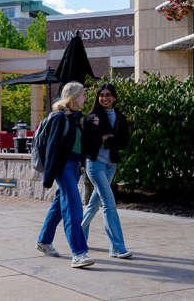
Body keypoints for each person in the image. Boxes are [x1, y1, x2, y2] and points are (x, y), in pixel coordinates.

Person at [36, 81, 96, 268]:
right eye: (83, 95)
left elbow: (83, 147)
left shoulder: (76, 119)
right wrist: (48, 177)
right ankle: (78, 254)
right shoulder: (60, 118)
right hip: (64, 169)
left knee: (59, 207)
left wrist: (90, 126)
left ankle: (44, 242)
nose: (85, 98)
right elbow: (52, 149)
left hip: (75, 168)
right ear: (74, 97)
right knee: (73, 209)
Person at [81, 83, 132, 258]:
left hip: (111, 165)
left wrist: (113, 140)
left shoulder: (120, 117)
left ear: (114, 97)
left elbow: (125, 142)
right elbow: (86, 142)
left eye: (108, 95)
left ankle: (78, 236)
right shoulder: (92, 117)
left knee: (94, 205)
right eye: (101, 95)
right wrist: (99, 137)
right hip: (95, 165)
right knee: (109, 204)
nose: (104, 98)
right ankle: (117, 247)